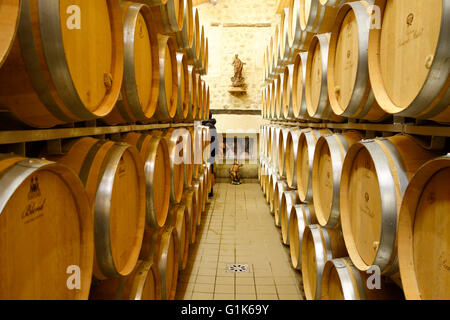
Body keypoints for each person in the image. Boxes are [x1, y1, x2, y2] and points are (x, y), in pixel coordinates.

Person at [202, 111, 217, 197]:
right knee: (210, 171)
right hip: (211, 153)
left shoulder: (207, 127)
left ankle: (209, 190)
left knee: (208, 172)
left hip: (208, 153)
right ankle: (210, 190)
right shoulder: (212, 125)